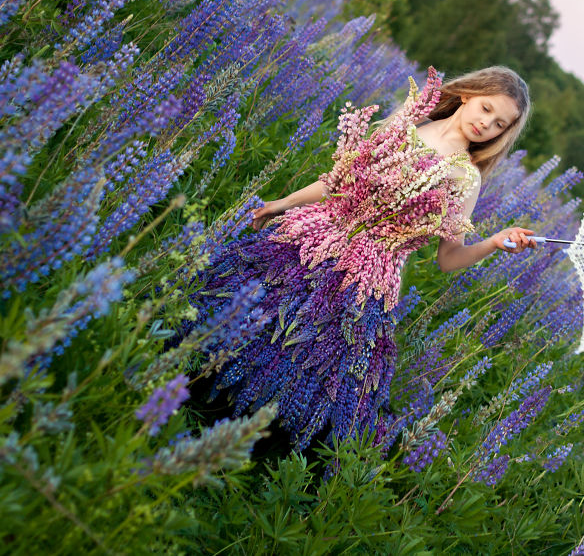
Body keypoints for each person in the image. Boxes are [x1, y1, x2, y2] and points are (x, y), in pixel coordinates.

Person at [185, 66, 537, 451]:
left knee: (312, 359)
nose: (487, 124)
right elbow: (338, 184)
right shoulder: (409, 126)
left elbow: (449, 258)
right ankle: (190, 380)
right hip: (318, 232)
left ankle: (242, 431)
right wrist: (282, 204)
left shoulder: (465, 178)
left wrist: (495, 242)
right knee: (250, 302)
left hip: (368, 273)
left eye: (500, 124)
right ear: (468, 95)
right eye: (486, 109)